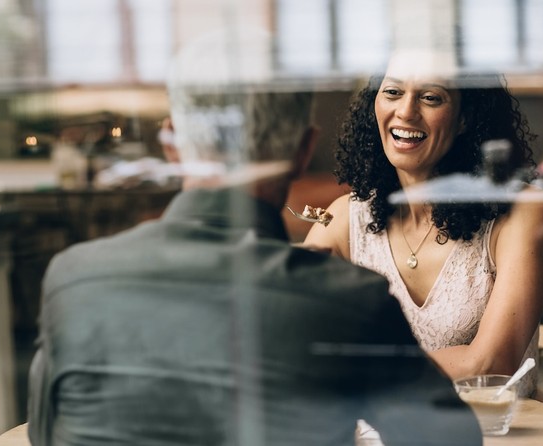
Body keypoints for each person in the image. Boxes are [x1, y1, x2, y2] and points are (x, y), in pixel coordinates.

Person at [27, 32, 481, 445]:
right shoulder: (347, 302)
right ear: (304, 152)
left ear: (170, 142)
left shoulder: (73, 281)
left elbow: (45, 434)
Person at [304, 49, 543, 399]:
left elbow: (490, 364)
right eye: (392, 92)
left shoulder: (519, 212)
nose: (405, 111)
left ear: (466, 117)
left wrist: (354, 372)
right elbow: (286, 323)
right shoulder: (346, 218)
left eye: (430, 97)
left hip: (491, 433)